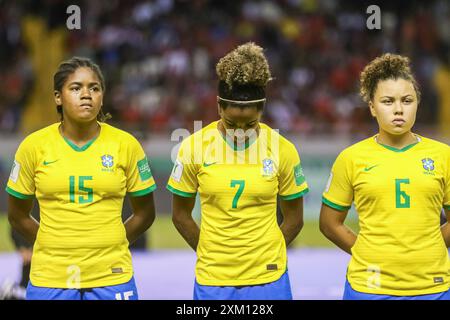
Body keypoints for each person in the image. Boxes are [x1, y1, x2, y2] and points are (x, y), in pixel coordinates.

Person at [6, 57, 157, 300]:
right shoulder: (32, 147)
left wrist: (110, 243)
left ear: (102, 96)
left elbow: (145, 213)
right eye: (76, 88)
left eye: (94, 88)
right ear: (58, 97)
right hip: (50, 276)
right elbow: (17, 215)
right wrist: (54, 241)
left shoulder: (127, 145)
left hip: (112, 275)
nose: (86, 94)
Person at [167, 42, 309, 300]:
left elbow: (294, 219)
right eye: (231, 122)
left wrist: (270, 253)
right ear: (219, 106)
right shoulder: (192, 148)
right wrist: (209, 252)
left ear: (262, 110)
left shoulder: (283, 150)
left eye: (250, 123)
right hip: (213, 278)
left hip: (270, 277)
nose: (240, 131)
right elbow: (180, 215)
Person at [320, 53, 450, 300]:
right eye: (388, 101)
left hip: (433, 288)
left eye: (407, 100)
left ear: (417, 104)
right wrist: (366, 250)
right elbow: (329, 223)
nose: (399, 109)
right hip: (368, 288)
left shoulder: (444, 156)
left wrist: (427, 247)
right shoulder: (351, 158)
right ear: (372, 107)